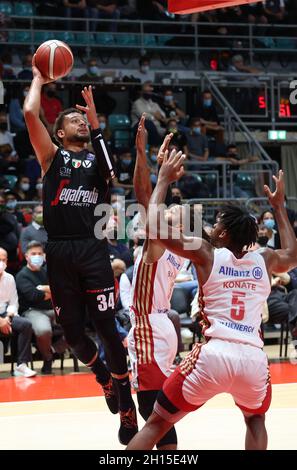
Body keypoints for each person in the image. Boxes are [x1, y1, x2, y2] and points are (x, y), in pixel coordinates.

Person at [127, 160, 297, 450]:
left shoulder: (206, 253)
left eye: (217, 223)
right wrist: (279, 207)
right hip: (253, 359)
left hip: (214, 354)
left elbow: (154, 228)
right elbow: (292, 254)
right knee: (255, 420)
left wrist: (164, 179)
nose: (212, 225)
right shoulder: (265, 259)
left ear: (224, 234)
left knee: (157, 422)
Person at [23, 60, 138, 445]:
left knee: (108, 329)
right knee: (73, 335)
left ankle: (127, 407)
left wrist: (98, 124)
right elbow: (27, 111)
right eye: (73, 119)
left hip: (92, 250)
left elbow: (113, 174)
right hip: (59, 251)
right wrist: (39, 79)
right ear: (58, 131)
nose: (81, 122)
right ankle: (104, 377)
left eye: (83, 120)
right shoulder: (52, 157)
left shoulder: (96, 158)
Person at [126, 115, 191, 450]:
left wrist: (144, 156)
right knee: (162, 411)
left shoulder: (158, 246)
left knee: (153, 414)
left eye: (168, 215)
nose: (162, 213)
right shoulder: (183, 248)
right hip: (162, 325)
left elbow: (143, 196)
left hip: (150, 328)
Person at [16, 241, 67, 374]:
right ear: (26, 256)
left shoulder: (47, 271)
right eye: (33, 254)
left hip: (53, 309)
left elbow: (61, 289)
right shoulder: (21, 276)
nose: (37, 256)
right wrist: (51, 291)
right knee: (43, 330)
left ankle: (54, 350)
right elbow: (34, 296)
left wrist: (43, 289)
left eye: (39, 253)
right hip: (32, 311)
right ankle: (48, 358)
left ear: (44, 256)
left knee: (76, 323)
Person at [0, 247, 36, 377]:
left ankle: (21, 365)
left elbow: (14, 302)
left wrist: (7, 318)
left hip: (6, 314)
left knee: (25, 324)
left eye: (3, 260)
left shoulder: (9, 278)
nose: (1, 263)